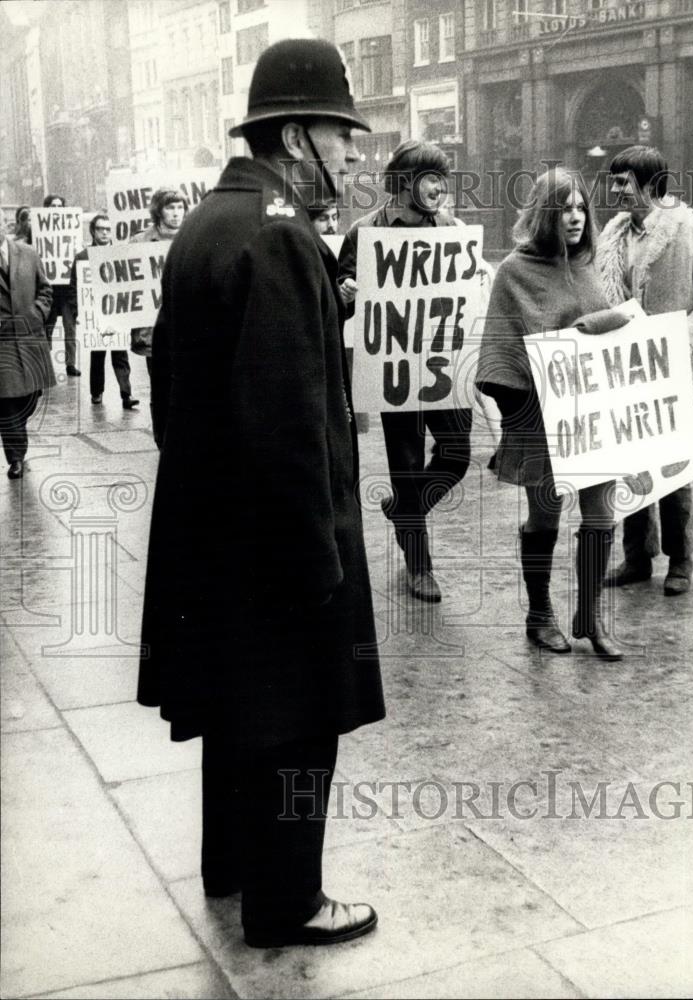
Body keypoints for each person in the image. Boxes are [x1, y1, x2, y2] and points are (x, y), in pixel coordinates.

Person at [137, 39, 385, 950]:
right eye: (340, 136)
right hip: (277, 544)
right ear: (293, 136)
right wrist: (315, 559)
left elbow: (180, 387)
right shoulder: (282, 234)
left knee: (236, 707)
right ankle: (289, 903)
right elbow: (289, 426)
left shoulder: (213, 220)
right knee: (294, 717)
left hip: (212, 531)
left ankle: (232, 867)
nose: (354, 156)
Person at [476, 168, 631, 661]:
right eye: (564, 208)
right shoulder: (514, 272)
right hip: (538, 417)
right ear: (545, 215)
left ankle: (589, 615)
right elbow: (497, 354)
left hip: (593, 417)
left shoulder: (591, 264)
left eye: (581, 207)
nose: (575, 217)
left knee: (602, 515)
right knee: (544, 515)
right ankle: (539, 614)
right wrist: (527, 397)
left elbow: (610, 334)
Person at [338, 139, 472, 603]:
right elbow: (335, 297)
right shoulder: (363, 233)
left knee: (456, 455)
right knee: (408, 467)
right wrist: (346, 292)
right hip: (395, 368)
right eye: (430, 178)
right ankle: (420, 566)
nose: (439, 189)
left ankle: (404, 511)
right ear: (404, 183)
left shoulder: (450, 228)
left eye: (442, 179)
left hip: (441, 364)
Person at [597, 145, 693, 595]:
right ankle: (637, 556)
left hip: (674, 371)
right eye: (614, 181)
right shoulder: (614, 236)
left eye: (623, 182)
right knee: (631, 466)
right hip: (627, 372)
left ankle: (681, 561)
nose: (614, 190)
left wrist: (678, 339)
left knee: (675, 471)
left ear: (652, 185)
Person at [0, 209, 55, 478]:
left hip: (30, 337)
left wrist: (36, 314)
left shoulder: (28, 253)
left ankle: (16, 429)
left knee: (30, 399)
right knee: (7, 403)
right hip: (2, 344)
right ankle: (16, 456)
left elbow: (46, 289)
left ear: (5, 224)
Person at [68, 213, 139, 410]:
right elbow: (74, 287)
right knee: (97, 355)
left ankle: (127, 393)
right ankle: (96, 392)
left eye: (108, 229)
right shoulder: (82, 257)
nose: (105, 233)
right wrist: (79, 311)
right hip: (94, 313)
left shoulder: (120, 253)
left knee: (120, 354)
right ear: (93, 231)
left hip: (116, 311)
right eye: (101, 229)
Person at [130, 188, 188, 376]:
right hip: (153, 328)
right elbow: (124, 287)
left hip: (187, 326)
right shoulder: (140, 242)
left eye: (180, 207)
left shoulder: (193, 237)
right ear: (158, 211)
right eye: (170, 207)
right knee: (160, 387)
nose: (176, 212)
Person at [42, 194, 80, 376]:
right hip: (48, 289)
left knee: (69, 328)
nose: (56, 209)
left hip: (66, 290)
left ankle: (70, 363)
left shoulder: (73, 229)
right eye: (52, 205)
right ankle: (45, 363)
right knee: (46, 328)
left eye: (59, 205)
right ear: (46, 208)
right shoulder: (38, 230)